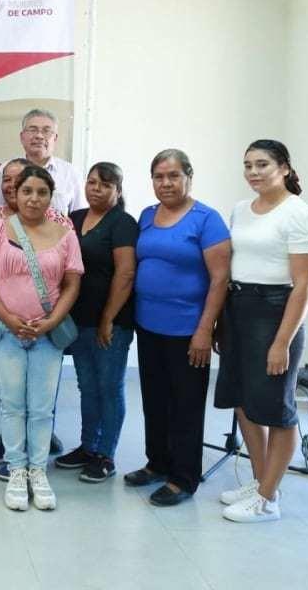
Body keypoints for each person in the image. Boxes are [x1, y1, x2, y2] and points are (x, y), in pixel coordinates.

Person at [215, 140, 308, 523]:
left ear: (285, 168)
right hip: (238, 308)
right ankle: (262, 482)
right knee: (243, 400)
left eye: (262, 164)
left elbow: (305, 285)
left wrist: (282, 342)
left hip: (275, 312)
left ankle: (267, 499)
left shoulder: (300, 214)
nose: (254, 172)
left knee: (277, 409)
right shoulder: (241, 210)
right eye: (248, 165)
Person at [125, 149, 230, 507]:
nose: (165, 183)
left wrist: (205, 330)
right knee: (154, 401)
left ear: (189, 177)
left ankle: (184, 477)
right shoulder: (147, 216)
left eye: (173, 176)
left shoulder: (206, 220)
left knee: (185, 405)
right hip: (148, 325)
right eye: (158, 176)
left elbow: (219, 280)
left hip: (188, 331)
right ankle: (157, 463)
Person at [0, 166, 83, 511]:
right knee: (12, 406)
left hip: (47, 336)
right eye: (27, 191)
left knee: (40, 408)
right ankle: (17, 469)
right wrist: (7, 318)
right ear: (15, 194)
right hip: (7, 332)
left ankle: (38, 470)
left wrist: (51, 321)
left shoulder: (66, 234)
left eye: (41, 192)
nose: (34, 198)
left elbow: (72, 284)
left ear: (51, 196)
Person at [58, 162, 138, 483]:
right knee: (87, 387)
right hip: (78, 320)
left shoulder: (123, 223)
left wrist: (108, 318)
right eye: (91, 182)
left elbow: (126, 272)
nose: (96, 189)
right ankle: (87, 446)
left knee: (109, 387)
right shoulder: (75, 218)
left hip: (111, 323)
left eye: (105, 185)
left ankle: (106, 454)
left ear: (117, 190)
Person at [0, 109, 86, 216]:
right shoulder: (5, 169)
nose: (39, 136)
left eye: (46, 131)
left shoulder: (71, 173)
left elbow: (80, 217)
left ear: (55, 138)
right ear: (22, 137)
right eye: (33, 130)